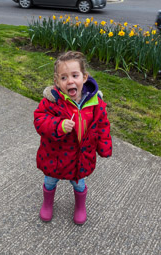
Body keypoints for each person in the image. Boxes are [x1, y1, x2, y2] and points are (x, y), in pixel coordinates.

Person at [34, 51, 112, 225]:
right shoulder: (52, 101)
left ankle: (80, 206)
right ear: (56, 82)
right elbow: (40, 120)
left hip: (79, 158)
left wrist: (104, 146)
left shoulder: (94, 103)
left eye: (74, 75)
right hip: (54, 155)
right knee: (49, 180)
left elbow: (102, 125)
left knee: (79, 184)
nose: (69, 81)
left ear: (84, 77)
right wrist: (58, 125)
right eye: (63, 78)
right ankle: (47, 203)